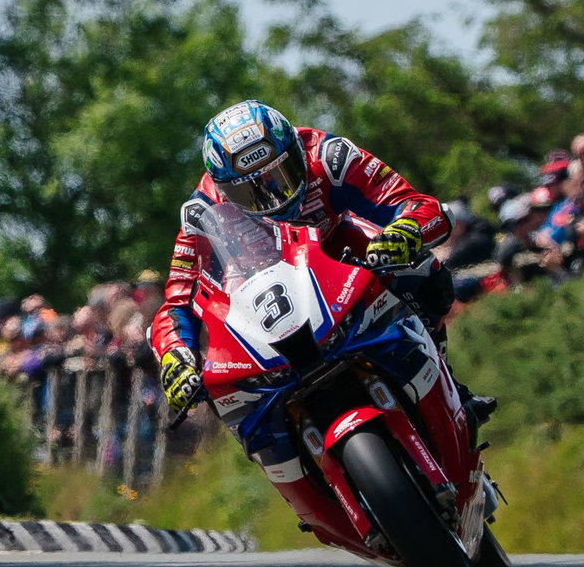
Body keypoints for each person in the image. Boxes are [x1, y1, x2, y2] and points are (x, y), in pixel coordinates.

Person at [149, 99, 496, 427]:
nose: (273, 196)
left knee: (423, 271)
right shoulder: (202, 212)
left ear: (297, 153)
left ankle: (451, 387)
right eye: (251, 191)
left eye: (280, 176)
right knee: (224, 383)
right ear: (225, 191)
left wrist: (406, 231)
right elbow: (177, 302)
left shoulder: (330, 156)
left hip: (343, 261)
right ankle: (277, 452)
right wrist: (174, 356)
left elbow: (419, 205)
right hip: (267, 302)